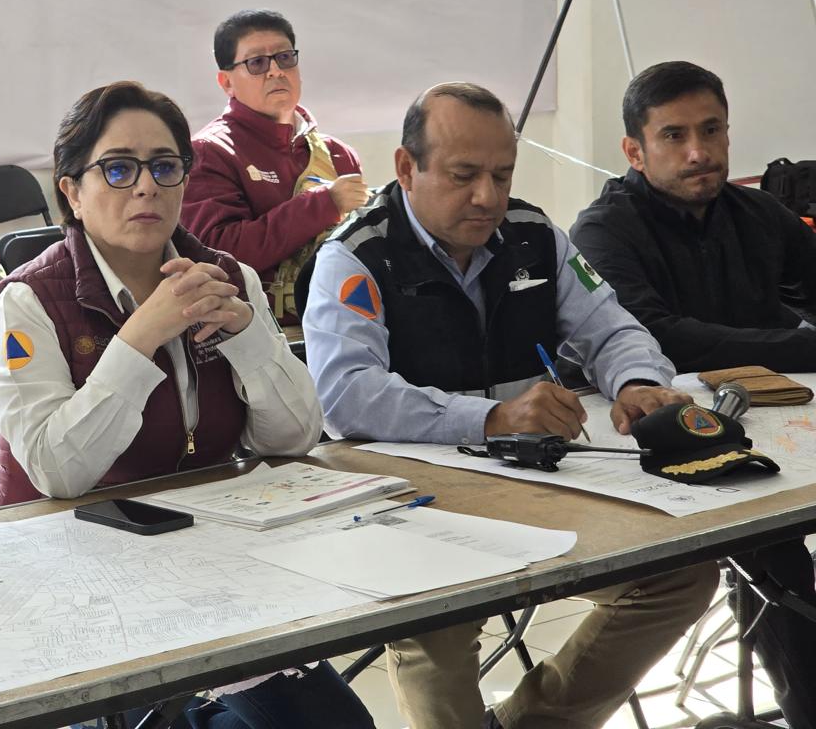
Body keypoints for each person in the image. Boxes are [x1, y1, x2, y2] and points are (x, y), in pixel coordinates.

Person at [302, 82, 718, 729]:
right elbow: (347, 395)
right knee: (434, 627)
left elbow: (613, 328)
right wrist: (493, 420)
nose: (488, 197)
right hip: (417, 514)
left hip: (541, 490)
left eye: (503, 174)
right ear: (407, 168)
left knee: (679, 578)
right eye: (464, 175)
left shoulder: (533, 236)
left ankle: (531, 723)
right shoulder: (354, 257)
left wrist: (635, 381)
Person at [0, 80, 374, 729]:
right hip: (72, 578)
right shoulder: (30, 301)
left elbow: (294, 437)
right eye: (117, 168)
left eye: (165, 167)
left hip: (211, 560)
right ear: (71, 191)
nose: (146, 188)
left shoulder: (226, 276)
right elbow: (58, 472)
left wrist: (248, 334)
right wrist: (140, 338)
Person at [571, 60, 816, 729]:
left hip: (774, 435)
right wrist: (800, 345)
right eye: (674, 135)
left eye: (711, 131)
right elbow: (663, 338)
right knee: (780, 560)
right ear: (634, 149)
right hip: (661, 462)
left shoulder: (757, 213)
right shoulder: (602, 232)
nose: (699, 153)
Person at [181, 10, 367, 324]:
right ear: (226, 82)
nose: (275, 71)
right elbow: (218, 257)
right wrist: (324, 203)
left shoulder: (337, 154)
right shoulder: (209, 152)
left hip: (344, 328)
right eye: (257, 63)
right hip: (259, 338)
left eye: (284, 57)